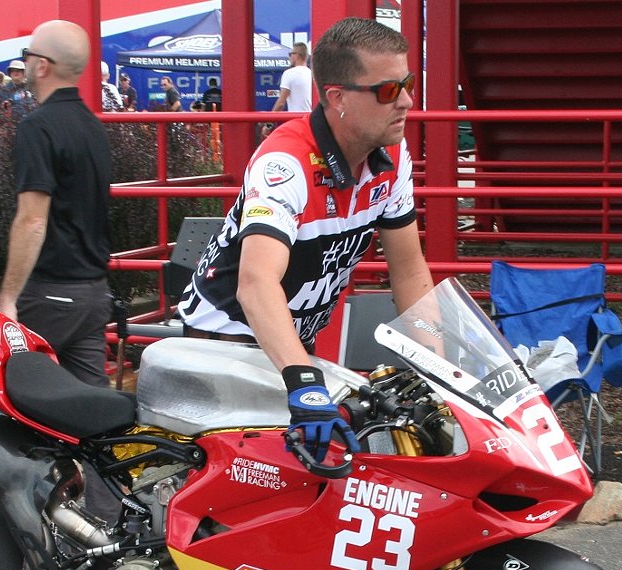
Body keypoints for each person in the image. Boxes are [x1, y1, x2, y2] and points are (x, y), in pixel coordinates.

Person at [177, 17, 434, 459]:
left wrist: (442, 368)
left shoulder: (393, 152)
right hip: (227, 344)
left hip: (292, 338)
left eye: (408, 84)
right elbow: (256, 283)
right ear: (338, 98)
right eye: (389, 90)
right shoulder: (285, 163)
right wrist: (304, 383)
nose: (407, 101)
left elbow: (409, 270)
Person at [0, 21, 118, 517]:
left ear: (41, 65)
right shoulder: (92, 126)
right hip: (92, 293)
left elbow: (32, 219)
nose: (23, 63)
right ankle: (110, 525)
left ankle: (18, 525)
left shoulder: (37, 127)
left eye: (27, 55)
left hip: (48, 293)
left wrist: (7, 298)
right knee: (94, 417)